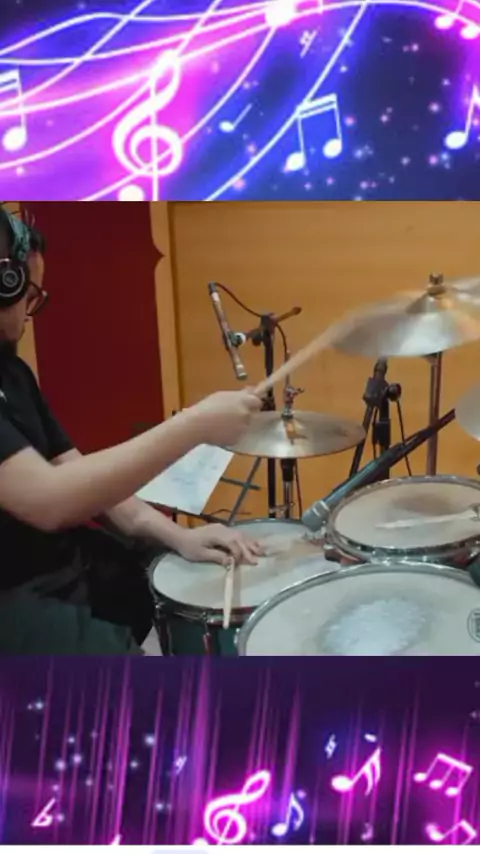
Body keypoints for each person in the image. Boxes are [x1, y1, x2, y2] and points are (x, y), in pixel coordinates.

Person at [0, 208, 264, 655]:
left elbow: (81, 477)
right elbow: (49, 500)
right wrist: (194, 425)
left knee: (158, 578)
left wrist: (180, 536)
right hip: (12, 589)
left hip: (52, 559)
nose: (31, 312)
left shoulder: (13, 370)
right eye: (30, 293)